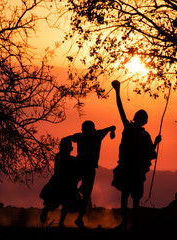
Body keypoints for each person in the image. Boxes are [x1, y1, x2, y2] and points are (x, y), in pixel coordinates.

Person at [111, 80, 161, 230]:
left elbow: (149, 152)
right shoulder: (130, 127)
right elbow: (120, 108)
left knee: (134, 197)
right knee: (128, 196)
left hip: (135, 168)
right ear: (139, 119)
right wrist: (117, 92)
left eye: (143, 118)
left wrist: (156, 142)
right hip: (129, 167)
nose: (142, 120)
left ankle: (132, 223)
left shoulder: (145, 135)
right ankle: (127, 222)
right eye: (141, 117)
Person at [65, 120, 116, 228]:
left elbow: (65, 139)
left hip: (79, 166)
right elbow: (111, 126)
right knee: (85, 194)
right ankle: (78, 218)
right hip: (88, 168)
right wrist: (112, 131)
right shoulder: (96, 135)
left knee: (74, 190)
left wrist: (64, 155)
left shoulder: (81, 136)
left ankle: (70, 217)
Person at [39, 138, 82, 227]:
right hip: (58, 184)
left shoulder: (70, 159)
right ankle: (46, 219)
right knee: (53, 204)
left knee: (66, 204)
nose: (68, 150)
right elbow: (64, 167)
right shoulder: (60, 157)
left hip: (67, 184)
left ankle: (61, 223)